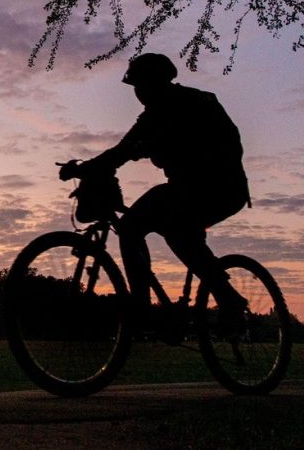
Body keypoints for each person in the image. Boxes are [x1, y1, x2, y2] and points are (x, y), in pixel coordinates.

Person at [60, 53, 251, 326]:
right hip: (206, 190)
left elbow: (132, 149)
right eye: (135, 86)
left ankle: (141, 306)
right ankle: (225, 296)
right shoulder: (160, 111)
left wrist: (89, 167)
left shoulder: (184, 106)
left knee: (135, 228)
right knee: (176, 233)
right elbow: (123, 149)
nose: (138, 92)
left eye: (141, 84)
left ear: (155, 82)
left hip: (214, 188)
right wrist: (88, 167)